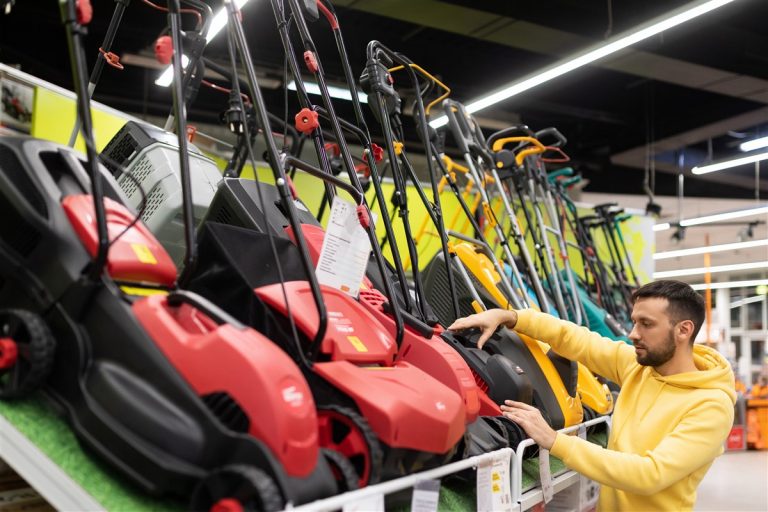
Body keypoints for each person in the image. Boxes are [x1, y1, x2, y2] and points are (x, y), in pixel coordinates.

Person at [448, 280, 736, 511]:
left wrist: (556, 441)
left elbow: (650, 474)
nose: (633, 334)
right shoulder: (640, 366)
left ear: (684, 330)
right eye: (634, 322)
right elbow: (578, 339)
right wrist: (510, 317)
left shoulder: (711, 405)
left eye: (646, 324)